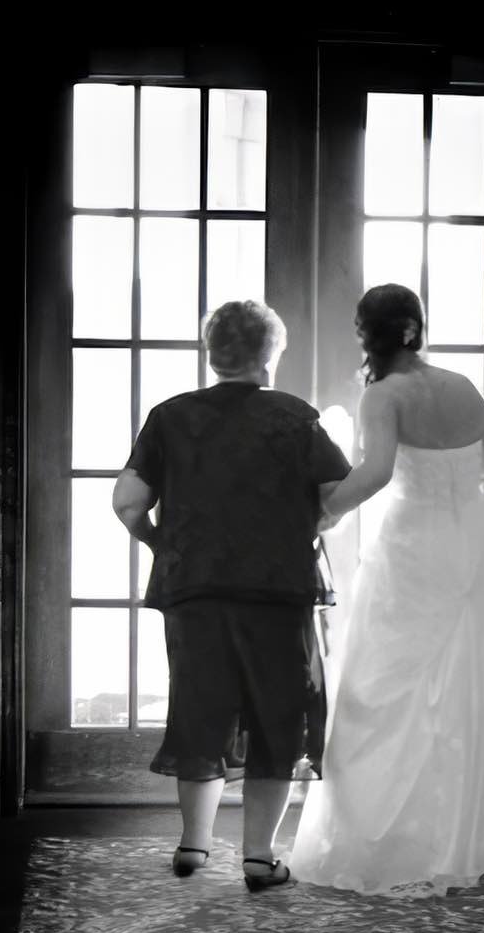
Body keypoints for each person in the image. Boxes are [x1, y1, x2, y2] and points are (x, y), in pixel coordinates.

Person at [290, 283, 484, 896]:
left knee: (384, 679)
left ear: (366, 334)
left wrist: (322, 514)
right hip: (468, 538)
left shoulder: (383, 394)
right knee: (459, 678)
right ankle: (454, 834)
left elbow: (375, 473)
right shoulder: (461, 385)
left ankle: (389, 836)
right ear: (416, 326)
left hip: (411, 542)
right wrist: (449, 471)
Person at [112, 300, 350, 891]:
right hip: (277, 588)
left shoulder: (170, 417)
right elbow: (335, 497)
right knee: (279, 714)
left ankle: (193, 846)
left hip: (194, 587)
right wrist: (306, 522)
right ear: (272, 355)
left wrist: (161, 542)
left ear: (211, 352)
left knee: (200, 707)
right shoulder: (295, 418)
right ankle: (259, 858)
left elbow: (127, 503)